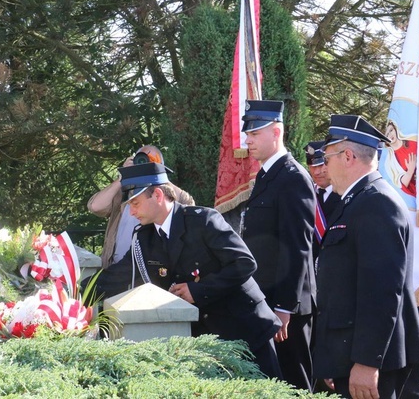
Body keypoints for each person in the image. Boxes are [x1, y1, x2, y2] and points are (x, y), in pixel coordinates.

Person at [92, 162, 283, 379]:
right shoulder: (145, 238)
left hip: (246, 328)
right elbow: (116, 276)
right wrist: (71, 292)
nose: (131, 212)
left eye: (135, 203)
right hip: (208, 340)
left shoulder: (203, 220)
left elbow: (244, 263)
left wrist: (198, 290)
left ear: (157, 194)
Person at [314, 114, 419, 399]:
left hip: (367, 361)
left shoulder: (376, 202)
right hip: (347, 353)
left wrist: (366, 362)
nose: (323, 168)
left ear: (348, 156)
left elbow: (382, 292)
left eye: (327, 159)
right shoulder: (355, 201)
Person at [240, 100, 316, 390]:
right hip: (267, 299)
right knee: (272, 383)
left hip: (286, 306)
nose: (248, 140)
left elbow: (297, 246)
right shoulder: (267, 175)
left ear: (276, 132)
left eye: (255, 134)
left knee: (293, 384)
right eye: (248, 135)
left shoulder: (293, 177)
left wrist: (285, 307)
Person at [88, 145, 194, 269]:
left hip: (149, 269)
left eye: (151, 161)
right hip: (116, 268)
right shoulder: (123, 192)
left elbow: (189, 205)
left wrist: (159, 175)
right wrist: (122, 176)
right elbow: (95, 206)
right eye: (141, 160)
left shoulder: (160, 195)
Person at [305, 140, 341, 258]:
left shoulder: (343, 194)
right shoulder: (305, 195)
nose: (316, 172)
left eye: (320, 165)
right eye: (312, 166)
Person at [383, 119, 418, 196]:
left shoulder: (413, 141)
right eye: (386, 134)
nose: (390, 135)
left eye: (391, 130)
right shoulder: (389, 162)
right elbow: (400, 185)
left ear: (396, 129)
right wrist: (410, 171)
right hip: (415, 196)